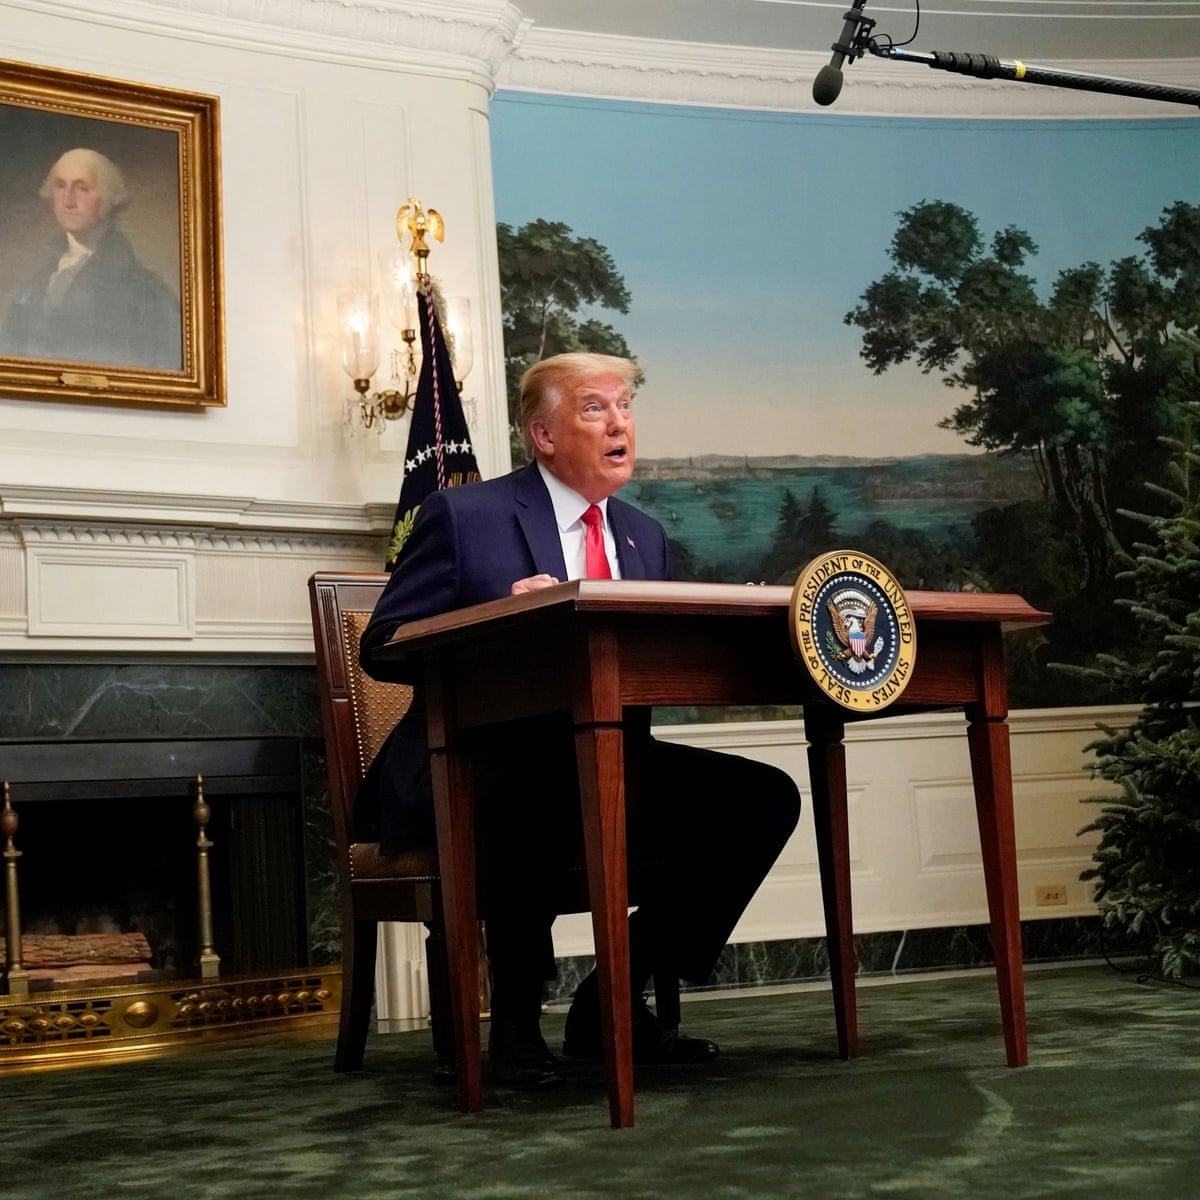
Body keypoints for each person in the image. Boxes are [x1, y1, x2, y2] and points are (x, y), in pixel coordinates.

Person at [358, 352, 802, 1090]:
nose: (619, 421)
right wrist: (499, 620)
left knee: (761, 798)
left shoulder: (644, 536)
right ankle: (518, 1030)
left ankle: (611, 999)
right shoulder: (466, 517)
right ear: (544, 434)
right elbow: (384, 645)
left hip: (605, 755)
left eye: (624, 406)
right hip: (470, 762)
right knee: (528, 783)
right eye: (595, 408)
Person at [0, 148, 182, 370]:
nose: (67, 201)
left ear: (108, 197)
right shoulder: (37, 284)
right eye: (60, 186)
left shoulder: (146, 293)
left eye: (82, 188)